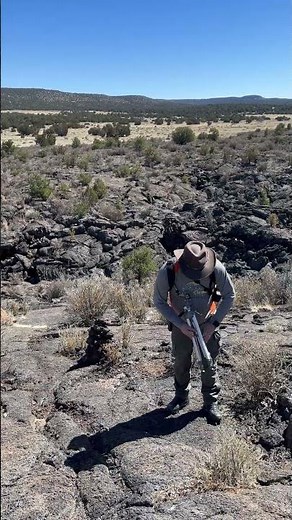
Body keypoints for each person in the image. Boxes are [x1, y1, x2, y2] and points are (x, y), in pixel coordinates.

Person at [153, 241, 235, 424]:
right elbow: (158, 300)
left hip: (207, 324)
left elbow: (230, 295)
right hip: (181, 325)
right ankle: (181, 397)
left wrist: (213, 324)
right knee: (181, 361)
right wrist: (179, 324)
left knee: (208, 362)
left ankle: (210, 403)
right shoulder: (169, 270)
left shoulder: (216, 269)